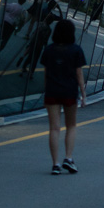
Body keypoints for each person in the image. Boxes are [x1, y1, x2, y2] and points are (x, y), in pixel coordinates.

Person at [41, 18, 86, 174]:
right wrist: (83, 94)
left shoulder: (49, 50)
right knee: (71, 126)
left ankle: (55, 164)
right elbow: (79, 73)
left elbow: (46, 74)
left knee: (54, 128)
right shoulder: (76, 50)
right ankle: (68, 157)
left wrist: (46, 91)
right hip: (69, 91)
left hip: (52, 91)